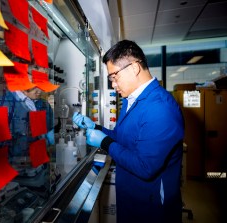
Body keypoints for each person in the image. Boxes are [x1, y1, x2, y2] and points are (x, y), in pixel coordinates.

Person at [73, 40, 184, 223]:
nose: (113, 84)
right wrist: (96, 127)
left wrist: (103, 142)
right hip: (130, 197)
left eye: (114, 76)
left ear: (134, 68)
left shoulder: (161, 109)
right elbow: (123, 138)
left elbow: (145, 167)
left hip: (152, 207)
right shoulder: (131, 99)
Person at [0, 85, 54, 157]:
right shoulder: (4, 103)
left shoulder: (43, 104)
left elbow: (50, 132)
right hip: (15, 160)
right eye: (35, 85)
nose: (39, 90)